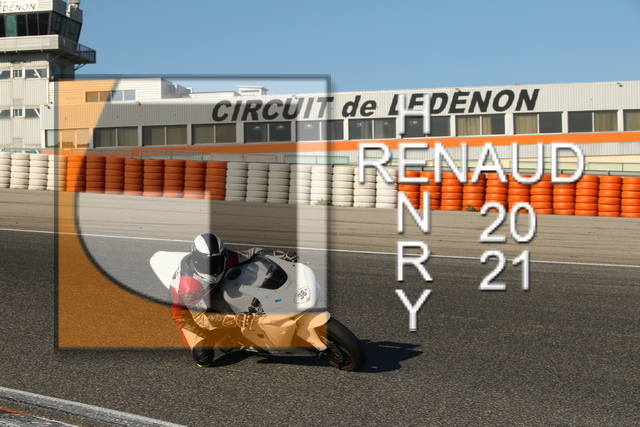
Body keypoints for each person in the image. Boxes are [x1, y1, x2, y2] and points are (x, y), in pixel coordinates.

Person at [169, 232, 299, 367]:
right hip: (187, 312)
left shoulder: (228, 257)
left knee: (232, 341)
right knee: (204, 358)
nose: (213, 268)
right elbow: (202, 319)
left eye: (217, 262)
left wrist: (282, 255)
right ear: (196, 261)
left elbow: (252, 253)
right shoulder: (189, 286)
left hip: (214, 293)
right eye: (206, 263)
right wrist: (235, 320)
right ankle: (216, 335)